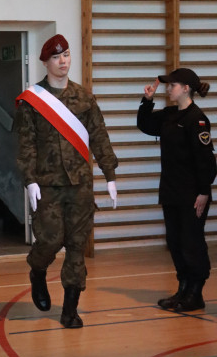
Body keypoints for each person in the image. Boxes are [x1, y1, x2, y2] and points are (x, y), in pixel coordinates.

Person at [14, 34, 118, 328]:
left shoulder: (84, 97)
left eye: (67, 55)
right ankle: (37, 271)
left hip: (81, 184)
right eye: (57, 57)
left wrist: (109, 174)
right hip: (47, 184)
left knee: (76, 244)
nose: (63, 62)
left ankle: (70, 308)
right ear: (46, 62)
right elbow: (26, 145)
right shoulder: (32, 102)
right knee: (49, 241)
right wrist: (30, 180)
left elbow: (99, 136)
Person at [137, 68, 216, 311]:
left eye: (172, 85)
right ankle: (183, 289)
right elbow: (145, 125)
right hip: (171, 191)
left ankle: (196, 293)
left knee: (191, 243)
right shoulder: (170, 115)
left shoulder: (197, 119)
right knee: (175, 242)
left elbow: (207, 161)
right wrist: (147, 101)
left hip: (193, 195)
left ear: (185, 88)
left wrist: (204, 191)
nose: (168, 88)